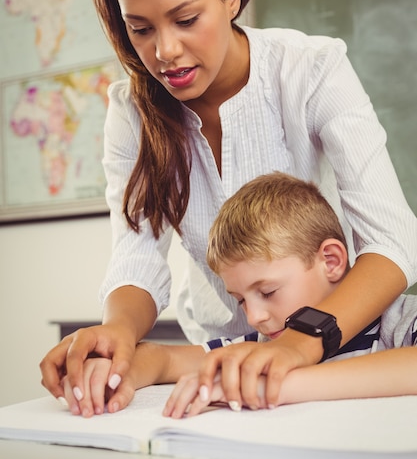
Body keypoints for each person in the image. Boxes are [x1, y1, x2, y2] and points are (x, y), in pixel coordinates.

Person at [39, 0, 417, 414]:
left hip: (339, 339)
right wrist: (118, 336)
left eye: (186, 19)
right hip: (226, 366)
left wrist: (298, 344)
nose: (164, 51)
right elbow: (136, 257)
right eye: (140, 29)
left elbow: (392, 241)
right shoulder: (131, 110)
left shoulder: (310, 68)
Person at [60, 172, 417, 419]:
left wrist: (278, 386)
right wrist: (112, 374)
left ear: (331, 261)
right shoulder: (264, 340)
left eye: (267, 291)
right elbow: (162, 360)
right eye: (242, 299)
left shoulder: (395, 321)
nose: (254, 316)